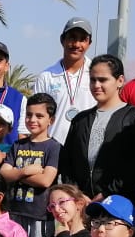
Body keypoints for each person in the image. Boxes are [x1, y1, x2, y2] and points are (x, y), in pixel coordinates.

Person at [60, 52, 135, 213]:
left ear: (120, 81)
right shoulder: (80, 120)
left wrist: (107, 193)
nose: (96, 85)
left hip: (120, 207)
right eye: (93, 80)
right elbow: (67, 163)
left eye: (103, 80)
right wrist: (76, 193)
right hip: (83, 206)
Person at [0, 92, 60, 237]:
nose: (32, 120)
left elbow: (45, 181)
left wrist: (15, 174)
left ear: (51, 120)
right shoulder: (17, 145)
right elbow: (3, 173)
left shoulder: (54, 147)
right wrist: (26, 171)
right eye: (29, 115)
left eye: (39, 116)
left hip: (40, 216)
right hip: (14, 212)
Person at [33, 16, 97, 144]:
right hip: (53, 148)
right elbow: (35, 116)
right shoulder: (46, 77)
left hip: (88, 146)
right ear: (62, 40)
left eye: (82, 39)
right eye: (72, 37)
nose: (77, 44)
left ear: (89, 43)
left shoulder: (96, 73)